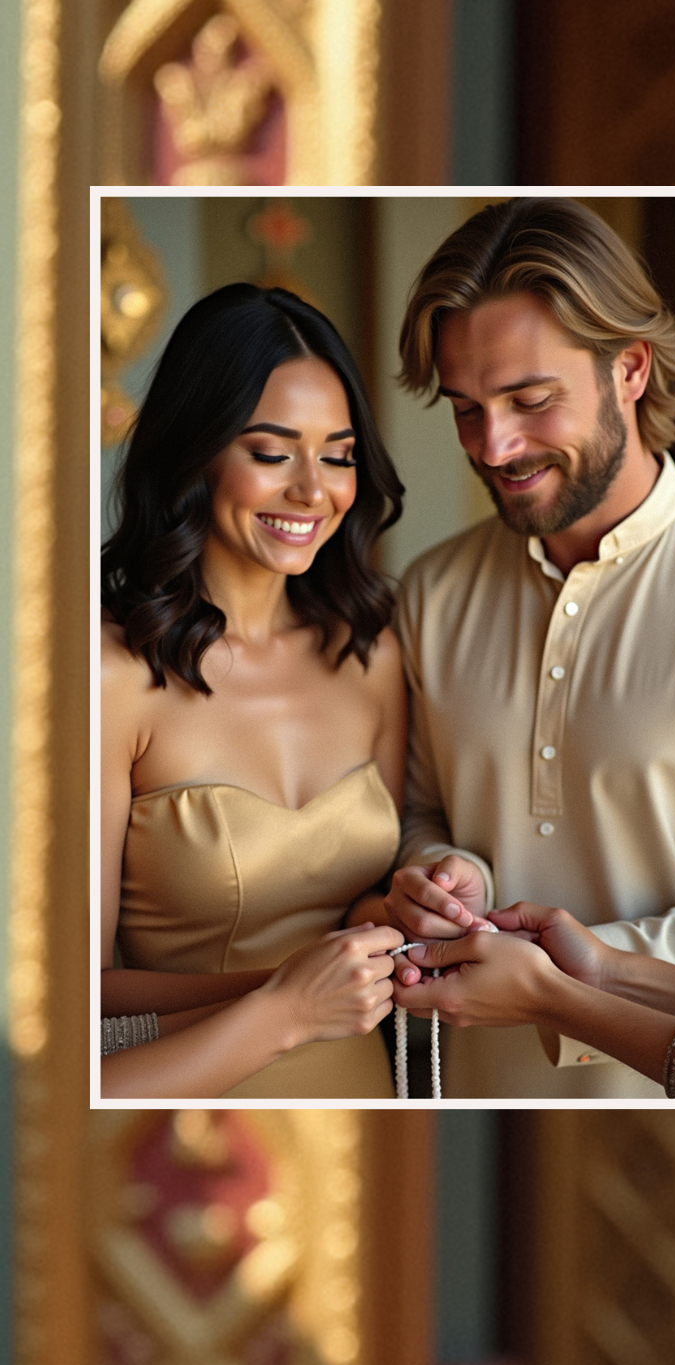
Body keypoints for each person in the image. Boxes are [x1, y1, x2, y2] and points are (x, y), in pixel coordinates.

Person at [383, 196, 675, 1097]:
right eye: (466, 409)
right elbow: (418, 809)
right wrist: (443, 876)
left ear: (629, 369)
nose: (495, 446)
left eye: (530, 400)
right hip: (468, 1110)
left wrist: (566, 969)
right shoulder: (431, 592)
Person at [100, 283, 408, 1099]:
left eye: (338, 455)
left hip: (363, 1097)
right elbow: (73, 999)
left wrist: (404, 910)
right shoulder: (112, 673)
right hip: (190, 1106)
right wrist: (287, 1002)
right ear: (194, 452)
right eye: (272, 453)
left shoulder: (372, 654)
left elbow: (364, 901)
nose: (313, 490)